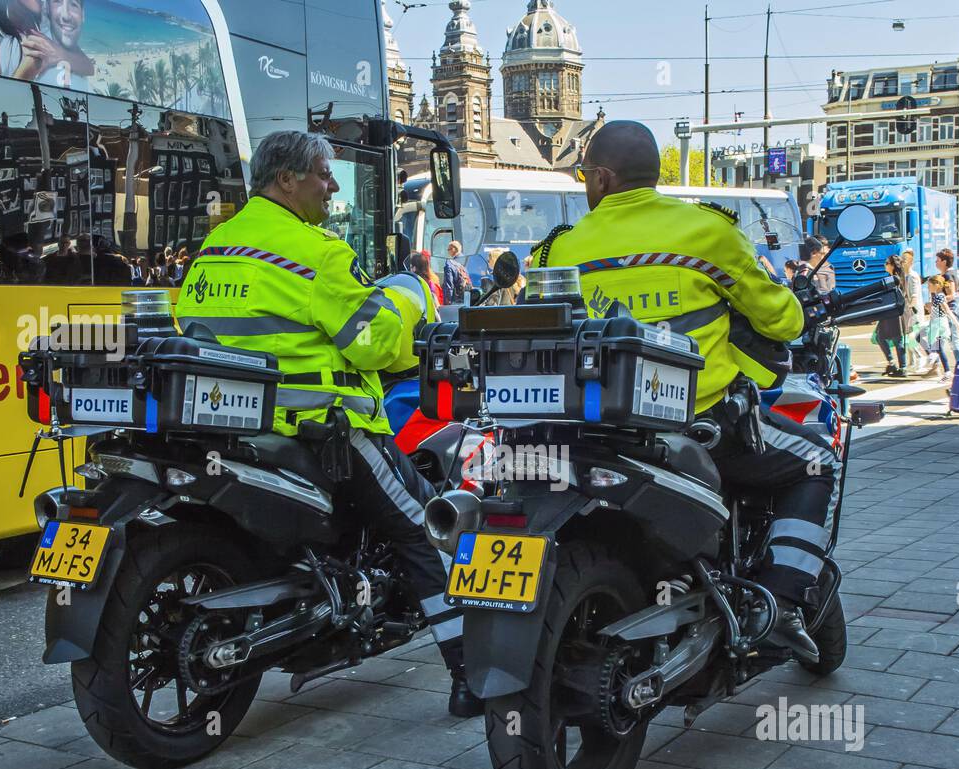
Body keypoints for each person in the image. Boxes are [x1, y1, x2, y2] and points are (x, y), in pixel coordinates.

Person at [173, 130, 479, 717]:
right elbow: (376, 343)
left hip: (233, 428)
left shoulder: (215, 247)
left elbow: (190, 321)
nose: (332, 187)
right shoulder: (316, 251)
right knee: (424, 527)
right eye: (322, 174)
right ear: (286, 180)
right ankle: (469, 672)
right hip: (321, 429)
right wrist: (411, 305)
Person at [533, 120, 829, 662]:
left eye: (584, 177)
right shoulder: (707, 233)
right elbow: (782, 321)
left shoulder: (560, 249)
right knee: (814, 461)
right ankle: (783, 604)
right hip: (699, 427)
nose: (583, 187)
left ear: (601, 178)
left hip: (596, 430)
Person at [872, 254, 907, 377]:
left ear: (892, 265)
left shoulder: (897, 279)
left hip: (894, 313)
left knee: (897, 340)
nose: (885, 265)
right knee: (880, 337)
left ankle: (902, 368)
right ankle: (892, 363)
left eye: (887, 263)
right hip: (887, 312)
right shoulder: (890, 277)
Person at [900, 249, 929, 373]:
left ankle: (920, 357)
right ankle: (912, 362)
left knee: (911, 337)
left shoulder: (913, 276)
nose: (902, 262)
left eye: (905, 260)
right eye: (902, 259)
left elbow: (915, 296)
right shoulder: (904, 276)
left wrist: (910, 309)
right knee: (908, 336)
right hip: (908, 310)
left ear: (910, 263)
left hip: (914, 311)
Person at [441, 239, 471, 305]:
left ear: (454, 249)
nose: (448, 252)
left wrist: (447, 302)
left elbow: (449, 285)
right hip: (465, 297)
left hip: (455, 299)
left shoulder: (450, 263)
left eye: (448, 249)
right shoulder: (465, 261)